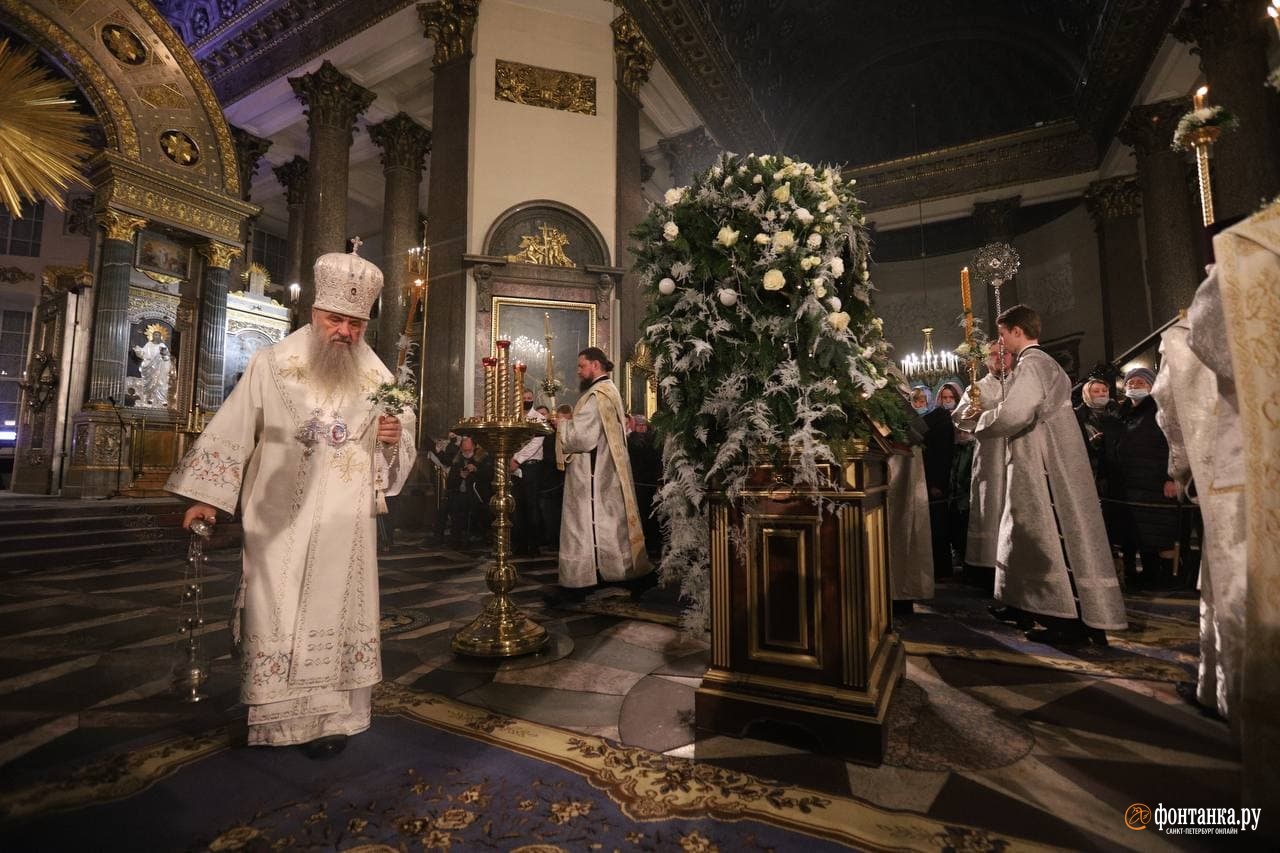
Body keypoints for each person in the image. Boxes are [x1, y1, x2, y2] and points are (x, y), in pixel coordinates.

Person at [166, 244, 416, 758]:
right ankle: (276, 719)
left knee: (339, 617)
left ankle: (333, 721)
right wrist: (206, 498)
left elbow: (395, 454)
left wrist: (393, 437)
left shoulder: (379, 380)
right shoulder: (271, 365)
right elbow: (236, 429)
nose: (344, 332)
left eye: (355, 323)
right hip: (279, 520)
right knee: (274, 610)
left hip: (346, 528)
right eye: (334, 319)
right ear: (314, 312)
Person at [967, 304, 1126, 646]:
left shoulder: (1033, 364)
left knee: (1051, 530)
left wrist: (981, 424)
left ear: (1017, 332)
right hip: (1055, 454)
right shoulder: (1045, 363)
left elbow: (1016, 412)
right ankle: (1072, 617)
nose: (1002, 342)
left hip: (1043, 460)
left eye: (1003, 334)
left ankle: (1066, 620)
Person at [1153, 293, 1243, 724]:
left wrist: (1184, 466)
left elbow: (1175, 393)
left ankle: (1230, 688)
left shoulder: (1233, 277)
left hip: (1244, 466)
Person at [550, 347, 653, 602]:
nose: (578, 371)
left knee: (584, 524)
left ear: (595, 365)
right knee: (609, 523)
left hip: (591, 475)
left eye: (581, 366)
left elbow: (583, 438)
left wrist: (561, 426)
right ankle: (615, 571)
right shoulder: (611, 390)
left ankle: (579, 580)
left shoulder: (597, 395)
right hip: (607, 470)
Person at [1105, 367, 1179, 588]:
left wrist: (1172, 477)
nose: (1134, 386)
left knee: (1158, 534)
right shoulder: (1121, 413)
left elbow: (1173, 445)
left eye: (1141, 382)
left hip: (1154, 483)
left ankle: (1162, 579)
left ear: (1152, 386)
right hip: (1127, 485)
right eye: (1131, 383)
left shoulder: (1161, 412)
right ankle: (1141, 577)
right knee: (1135, 533)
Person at [953, 343, 1012, 598]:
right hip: (989, 458)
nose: (1000, 358)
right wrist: (969, 413)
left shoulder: (1021, 381)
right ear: (986, 360)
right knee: (990, 510)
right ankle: (987, 571)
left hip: (1017, 454)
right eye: (994, 355)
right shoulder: (977, 387)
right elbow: (959, 419)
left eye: (1005, 353)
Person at [922, 383, 959, 578]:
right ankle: (942, 568)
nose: (947, 401)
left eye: (950, 398)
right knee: (939, 524)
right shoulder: (938, 419)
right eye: (943, 398)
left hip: (950, 479)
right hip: (940, 480)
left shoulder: (943, 420)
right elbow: (938, 454)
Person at [510, 388, 547, 556]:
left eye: (529, 398)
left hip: (531, 466)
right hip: (514, 467)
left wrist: (517, 459)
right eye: (524, 398)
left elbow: (535, 444)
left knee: (532, 506)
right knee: (517, 507)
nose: (527, 400)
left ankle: (534, 544)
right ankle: (520, 543)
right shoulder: (514, 417)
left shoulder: (538, 418)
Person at [436, 435, 493, 544]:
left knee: (459, 504)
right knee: (444, 506)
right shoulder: (458, 460)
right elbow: (450, 481)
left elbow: (488, 476)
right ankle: (438, 537)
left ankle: (457, 537)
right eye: (463, 442)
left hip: (475, 493)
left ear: (474, 445)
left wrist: (475, 470)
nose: (465, 444)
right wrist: (460, 476)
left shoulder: (482, 458)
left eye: (467, 442)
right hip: (457, 491)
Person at [626, 413, 662, 558]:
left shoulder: (634, 440)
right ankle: (651, 545)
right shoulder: (652, 439)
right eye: (639, 425)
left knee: (647, 515)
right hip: (645, 482)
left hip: (644, 483)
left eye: (643, 425)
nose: (641, 428)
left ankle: (649, 546)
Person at [133, 329, 171, 407]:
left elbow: (167, 357)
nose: (155, 336)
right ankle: (150, 399)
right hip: (149, 367)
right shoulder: (149, 344)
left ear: (160, 336)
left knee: (160, 383)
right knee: (149, 383)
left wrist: (163, 355)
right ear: (152, 336)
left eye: (157, 335)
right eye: (154, 334)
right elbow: (143, 353)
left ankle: (162, 399)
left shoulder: (162, 345)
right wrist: (137, 349)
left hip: (160, 368)